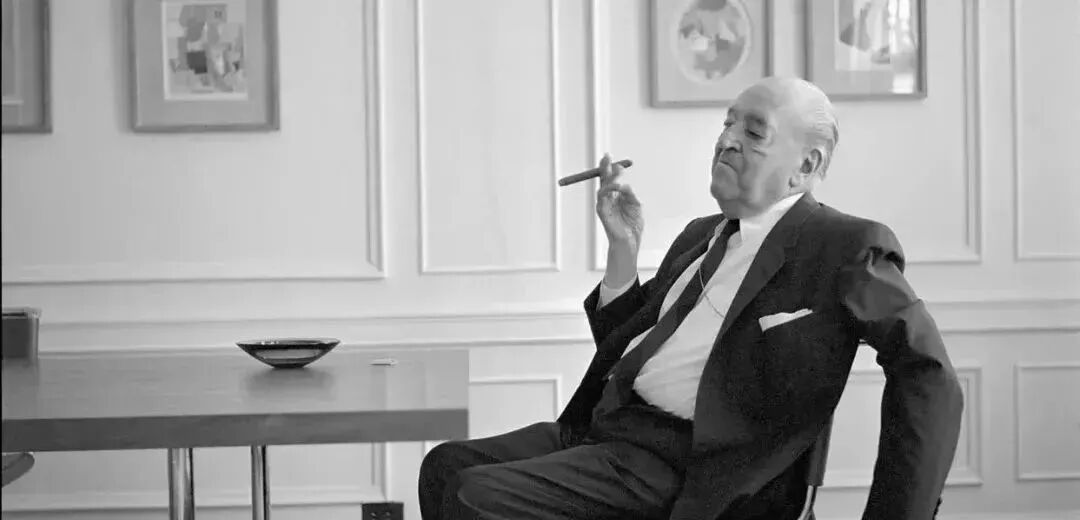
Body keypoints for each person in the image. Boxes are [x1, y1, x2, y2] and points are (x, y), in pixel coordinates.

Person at [418, 76, 964, 520]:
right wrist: (624, 251)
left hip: (693, 465)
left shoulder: (843, 245)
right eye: (727, 123)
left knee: (476, 496)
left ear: (806, 167)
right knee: (444, 466)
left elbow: (928, 373)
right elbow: (624, 346)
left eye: (754, 131)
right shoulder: (700, 235)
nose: (727, 139)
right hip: (609, 429)